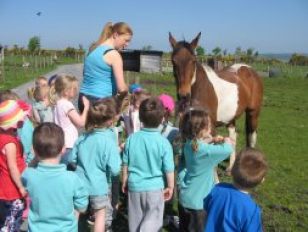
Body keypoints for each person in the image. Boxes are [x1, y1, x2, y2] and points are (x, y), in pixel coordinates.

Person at [21, 122, 89, 232]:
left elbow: (22, 177)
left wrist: (34, 158)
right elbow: (82, 205)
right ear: (63, 149)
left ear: (34, 150)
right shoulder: (72, 178)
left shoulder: (29, 176)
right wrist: (75, 216)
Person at [122, 97, 175, 232]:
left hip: (135, 186)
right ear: (162, 118)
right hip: (155, 188)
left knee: (135, 221)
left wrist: (124, 181)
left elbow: (125, 164)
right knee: (153, 220)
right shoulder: (164, 143)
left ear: (140, 118)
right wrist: (170, 186)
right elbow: (169, 168)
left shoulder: (131, 139)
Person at [178, 108, 234, 232]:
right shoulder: (206, 152)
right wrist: (227, 140)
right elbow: (227, 149)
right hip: (199, 204)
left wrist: (212, 140)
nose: (210, 127)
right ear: (201, 129)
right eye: (208, 125)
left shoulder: (188, 144)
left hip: (184, 198)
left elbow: (199, 144)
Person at [71, 98, 122, 232]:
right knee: (100, 215)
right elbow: (115, 169)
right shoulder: (109, 142)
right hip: (99, 186)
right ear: (110, 120)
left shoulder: (82, 138)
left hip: (79, 184)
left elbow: (72, 160)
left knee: (78, 214)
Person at [203, 148, 268, 232]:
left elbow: (205, 209)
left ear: (232, 170)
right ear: (261, 181)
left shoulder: (217, 189)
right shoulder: (252, 210)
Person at [78, 22, 133, 111]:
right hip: (101, 102)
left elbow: (85, 74)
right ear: (115, 35)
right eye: (126, 40)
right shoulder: (114, 54)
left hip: (83, 98)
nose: (127, 44)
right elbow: (121, 88)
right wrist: (130, 91)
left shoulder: (92, 50)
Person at [0, 100, 27, 232]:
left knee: (5, 220)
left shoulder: (2, 138)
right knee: (11, 223)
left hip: (3, 190)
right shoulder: (10, 143)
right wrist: (21, 186)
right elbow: (12, 167)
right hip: (12, 190)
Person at [53, 74, 90, 164]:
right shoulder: (67, 105)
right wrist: (86, 108)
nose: (76, 91)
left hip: (61, 143)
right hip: (69, 144)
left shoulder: (57, 104)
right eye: (74, 88)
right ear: (66, 91)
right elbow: (81, 123)